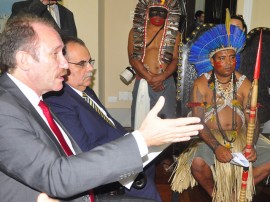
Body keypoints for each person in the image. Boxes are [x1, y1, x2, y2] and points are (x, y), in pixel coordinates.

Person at [0, 13, 203, 202]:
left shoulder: (30, 99)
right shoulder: (4, 109)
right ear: (24, 60)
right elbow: (56, 175)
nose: (64, 64)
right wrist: (142, 140)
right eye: (55, 54)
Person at [44, 36, 162, 201]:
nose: (91, 68)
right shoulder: (58, 101)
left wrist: (140, 139)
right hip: (113, 171)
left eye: (89, 61)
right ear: (62, 65)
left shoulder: (86, 91)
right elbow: (83, 152)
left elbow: (110, 125)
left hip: (127, 155)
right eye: (81, 64)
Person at [171, 24, 270, 202]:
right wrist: (216, 147)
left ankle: (238, 193)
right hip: (211, 139)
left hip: (241, 136)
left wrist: (251, 145)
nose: (228, 63)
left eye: (232, 58)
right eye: (222, 58)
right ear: (212, 61)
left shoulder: (245, 84)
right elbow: (199, 122)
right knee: (197, 164)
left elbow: (252, 121)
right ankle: (218, 196)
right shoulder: (201, 84)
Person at [128, 0, 181, 130]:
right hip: (144, 81)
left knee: (167, 121)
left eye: (162, 12)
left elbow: (175, 59)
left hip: (165, 82)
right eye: (154, 12)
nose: (158, 16)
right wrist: (150, 78)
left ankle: (165, 150)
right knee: (142, 122)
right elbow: (133, 58)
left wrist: (162, 77)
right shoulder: (135, 32)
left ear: (168, 14)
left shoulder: (175, 34)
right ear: (147, 12)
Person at [11, 0, 77, 37]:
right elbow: (14, 30)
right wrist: (41, 3)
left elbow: (73, 41)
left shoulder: (68, 14)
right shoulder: (20, 6)